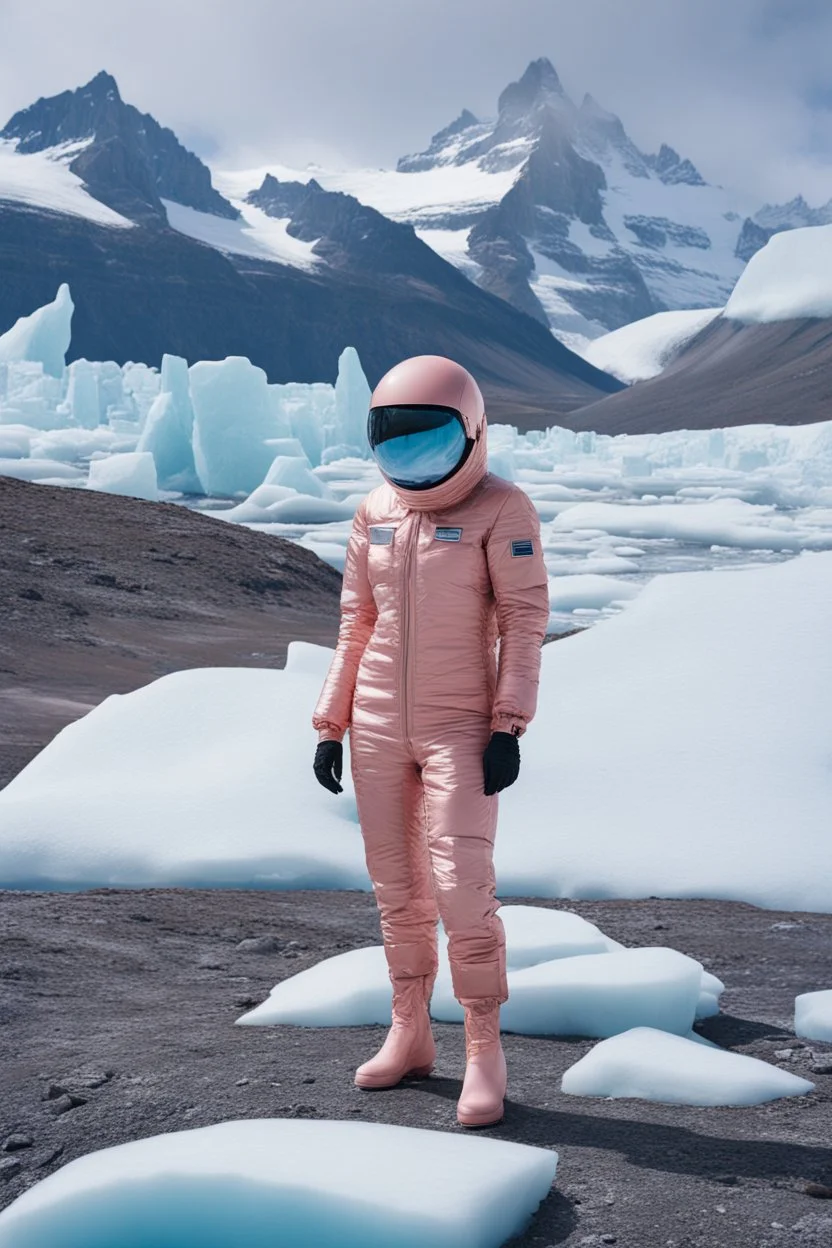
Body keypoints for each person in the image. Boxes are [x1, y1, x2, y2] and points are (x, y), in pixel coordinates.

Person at [311, 354, 549, 1127]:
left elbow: (522, 620)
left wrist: (508, 724)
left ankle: (485, 1052)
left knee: (462, 890)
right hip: (378, 724)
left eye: (431, 443)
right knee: (397, 890)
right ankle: (410, 1032)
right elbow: (358, 624)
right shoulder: (373, 513)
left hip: (460, 724)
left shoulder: (501, 509)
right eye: (398, 443)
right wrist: (331, 722)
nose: (412, 462)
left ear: (473, 434)